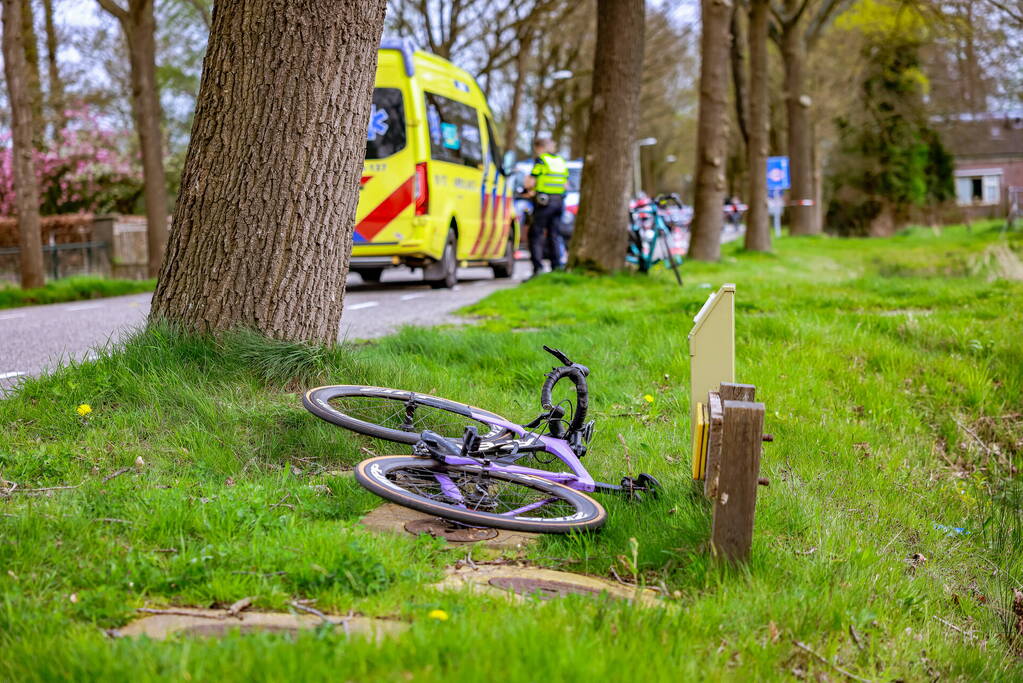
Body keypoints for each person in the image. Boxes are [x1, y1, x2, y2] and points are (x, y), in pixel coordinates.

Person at [523, 138, 569, 276]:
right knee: (554, 234)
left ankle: (538, 268)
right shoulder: (560, 161)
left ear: (539, 147)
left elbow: (530, 182)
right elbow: (565, 184)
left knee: (535, 234)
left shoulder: (541, 160)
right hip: (559, 202)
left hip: (544, 202)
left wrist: (529, 188)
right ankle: (556, 266)